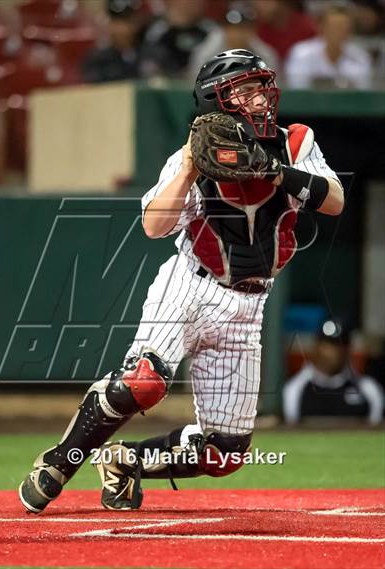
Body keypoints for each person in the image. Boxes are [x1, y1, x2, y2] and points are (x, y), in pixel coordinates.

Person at [19, 49, 344, 513]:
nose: (260, 97)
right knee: (143, 381)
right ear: (219, 100)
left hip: (249, 305)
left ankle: (125, 460)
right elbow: (154, 225)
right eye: (245, 90)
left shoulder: (295, 142)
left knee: (224, 452)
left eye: (260, 86)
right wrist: (193, 163)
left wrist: (273, 171)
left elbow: (333, 200)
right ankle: (60, 460)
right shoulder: (191, 155)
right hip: (191, 286)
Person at [283, 320, 384, 425]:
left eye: (340, 344)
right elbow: (291, 429)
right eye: (329, 344)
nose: (335, 351)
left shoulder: (368, 388)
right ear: (317, 347)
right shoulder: (296, 388)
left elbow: (376, 430)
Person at [285, 4, 373, 89]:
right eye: (333, 27)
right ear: (322, 27)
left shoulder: (360, 57)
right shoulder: (301, 53)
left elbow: (363, 93)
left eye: (343, 27)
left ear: (350, 31)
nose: (338, 32)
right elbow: (297, 90)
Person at [189, 3, 279, 80]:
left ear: (253, 30)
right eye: (233, 28)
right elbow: (195, 85)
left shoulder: (265, 55)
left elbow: (272, 85)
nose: (238, 34)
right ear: (224, 29)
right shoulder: (207, 53)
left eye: (243, 28)